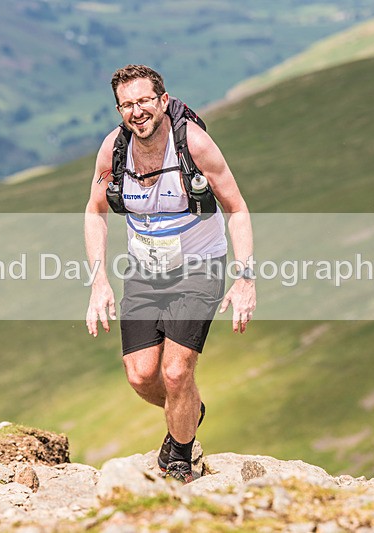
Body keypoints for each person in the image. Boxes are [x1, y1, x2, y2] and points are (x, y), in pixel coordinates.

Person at [84, 64, 255, 483]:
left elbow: (236, 207)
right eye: (127, 105)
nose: (136, 111)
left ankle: (180, 458)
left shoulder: (193, 145)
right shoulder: (114, 150)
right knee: (142, 375)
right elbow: (95, 211)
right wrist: (99, 281)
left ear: (162, 101)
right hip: (144, 271)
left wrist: (245, 277)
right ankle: (189, 415)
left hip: (200, 268)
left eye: (144, 101)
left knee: (176, 372)